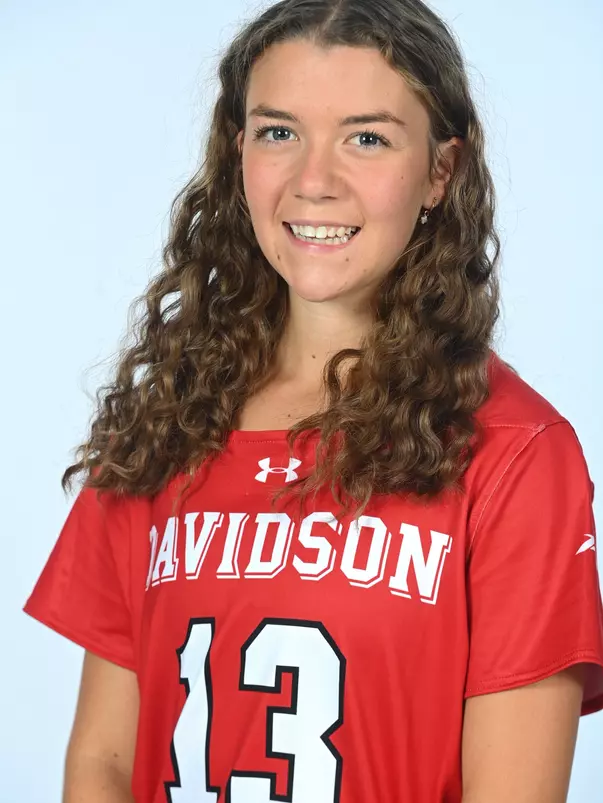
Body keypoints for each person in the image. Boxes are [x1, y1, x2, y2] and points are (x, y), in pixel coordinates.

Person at [24, 0, 603, 801]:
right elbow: (104, 761)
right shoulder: (172, 420)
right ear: (238, 156)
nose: (313, 181)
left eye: (366, 138)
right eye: (277, 132)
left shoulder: (515, 450)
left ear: (441, 171)